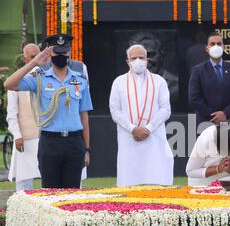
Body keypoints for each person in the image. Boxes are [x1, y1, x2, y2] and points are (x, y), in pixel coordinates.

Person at [3, 34, 93, 189]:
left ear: (69, 52)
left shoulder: (80, 80)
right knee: (50, 193)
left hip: (74, 142)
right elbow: (9, 84)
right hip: (50, 142)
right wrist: (34, 62)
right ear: (50, 54)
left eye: (64, 52)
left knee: (72, 194)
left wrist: (87, 149)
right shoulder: (40, 78)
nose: (61, 56)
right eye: (57, 52)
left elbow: (84, 117)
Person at [109, 44, 173, 186]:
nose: (138, 61)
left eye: (141, 57)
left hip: (154, 139)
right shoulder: (119, 82)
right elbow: (114, 111)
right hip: (129, 138)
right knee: (129, 185)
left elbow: (165, 109)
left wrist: (148, 129)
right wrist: (133, 128)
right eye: (134, 58)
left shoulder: (159, 81)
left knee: (157, 182)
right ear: (127, 61)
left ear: (147, 59)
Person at [188, 32, 230, 127]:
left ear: (223, 47)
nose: (216, 46)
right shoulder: (198, 71)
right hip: (205, 124)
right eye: (212, 44)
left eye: (219, 44)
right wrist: (215, 116)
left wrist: (225, 113)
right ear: (207, 48)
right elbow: (194, 98)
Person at [6, 43, 41, 191]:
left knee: (50, 181)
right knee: (24, 183)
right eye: (33, 57)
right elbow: (12, 113)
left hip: (47, 137)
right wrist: (17, 135)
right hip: (26, 139)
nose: (36, 59)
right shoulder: (16, 80)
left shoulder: (48, 75)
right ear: (25, 59)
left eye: (38, 55)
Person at [186, 121, 230, 186]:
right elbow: (190, 171)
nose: (227, 156)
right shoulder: (205, 140)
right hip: (202, 185)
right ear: (214, 143)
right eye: (223, 152)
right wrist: (218, 169)